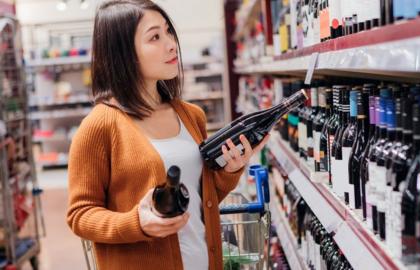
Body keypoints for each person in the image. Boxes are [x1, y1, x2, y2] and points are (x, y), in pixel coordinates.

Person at [66, 1, 269, 269]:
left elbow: (200, 202)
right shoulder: (99, 126)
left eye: (168, 32)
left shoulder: (190, 115)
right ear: (123, 53)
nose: (172, 44)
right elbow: (80, 215)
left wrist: (230, 171)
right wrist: (137, 223)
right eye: (154, 37)